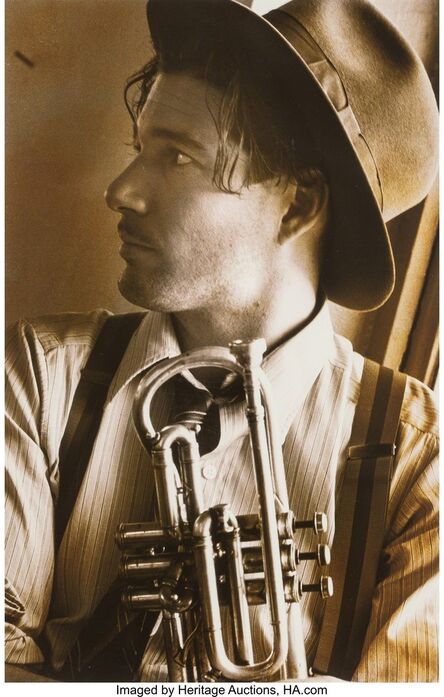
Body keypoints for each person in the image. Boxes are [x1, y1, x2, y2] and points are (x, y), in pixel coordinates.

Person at [5, 0, 438, 684]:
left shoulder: (419, 458)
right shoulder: (42, 373)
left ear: (296, 205)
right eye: (138, 150)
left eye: (176, 157)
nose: (120, 191)